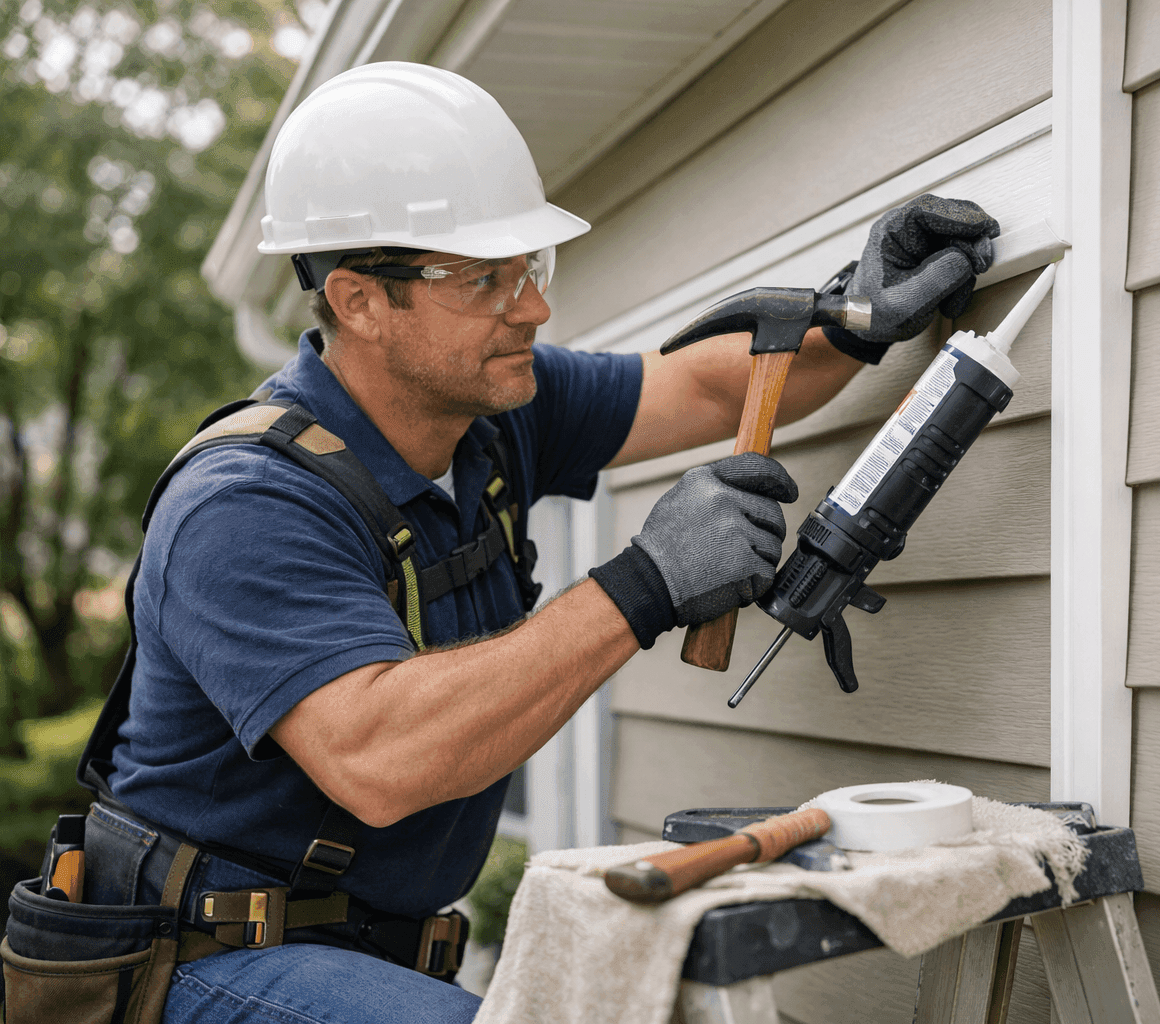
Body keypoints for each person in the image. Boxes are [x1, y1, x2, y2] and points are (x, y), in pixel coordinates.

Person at [83, 62, 999, 1024]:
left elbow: (708, 386)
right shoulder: (246, 505)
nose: (532, 307)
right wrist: (643, 584)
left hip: (356, 950)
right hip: (191, 962)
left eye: (530, 268)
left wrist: (857, 313)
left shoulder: (491, 409)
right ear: (357, 301)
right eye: (486, 279)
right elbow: (381, 760)